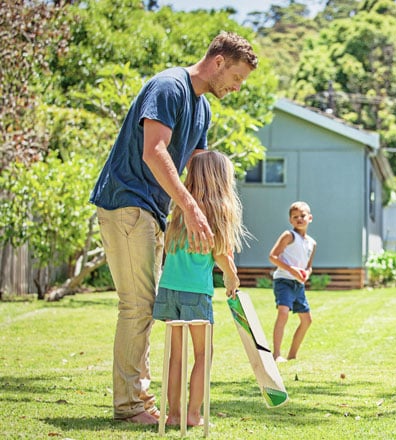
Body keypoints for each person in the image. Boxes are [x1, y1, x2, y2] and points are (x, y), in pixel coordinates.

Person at [89, 31, 258, 424]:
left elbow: (198, 173)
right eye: (237, 78)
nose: (236, 88)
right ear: (219, 62)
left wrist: (217, 218)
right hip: (127, 202)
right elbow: (154, 151)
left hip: (153, 211)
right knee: (138, 306)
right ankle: (131, 405)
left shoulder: (202, 110)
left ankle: (146, 402)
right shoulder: (169, 87)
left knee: (144, 305)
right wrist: (190, 208)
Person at [152, 150, 246, 427]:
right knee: (204, 354)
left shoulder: (180, 208)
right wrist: (231, 276)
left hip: (169, 289)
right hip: (196, 293)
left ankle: (173, 415)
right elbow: (219, 254)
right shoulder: (218, 210)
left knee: (175, 356)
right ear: (221, 179)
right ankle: (193, 415)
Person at [268, 201, 317, 362]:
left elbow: (309, 267)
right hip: (284, 280)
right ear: (290, 220)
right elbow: (273, 257)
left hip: (298, 284)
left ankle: (292, 356)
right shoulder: (289, 236)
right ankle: (276, 355)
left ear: (310, 218)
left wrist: (306, 274)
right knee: (283, 313)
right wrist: (293, 270)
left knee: (307, 320)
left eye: (302, 216)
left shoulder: (311, 243)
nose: (299, 219)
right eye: (295, 217)